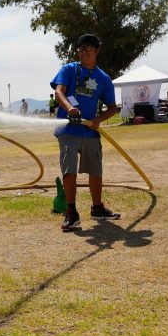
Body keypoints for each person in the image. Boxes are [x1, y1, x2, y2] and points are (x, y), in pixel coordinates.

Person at [51, 33, 121, 231]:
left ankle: (97, 208)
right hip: (68, 130)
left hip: (89, 131)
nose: (83, 51)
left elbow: (112, 107)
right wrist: (69, 108)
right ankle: (71, 212)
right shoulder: (69, 70)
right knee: (69, 169)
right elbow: (59, 92)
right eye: (80, 48)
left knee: (95, 170)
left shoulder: (103, 78)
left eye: (88, 48)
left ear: (97, 50)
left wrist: (97, 121)